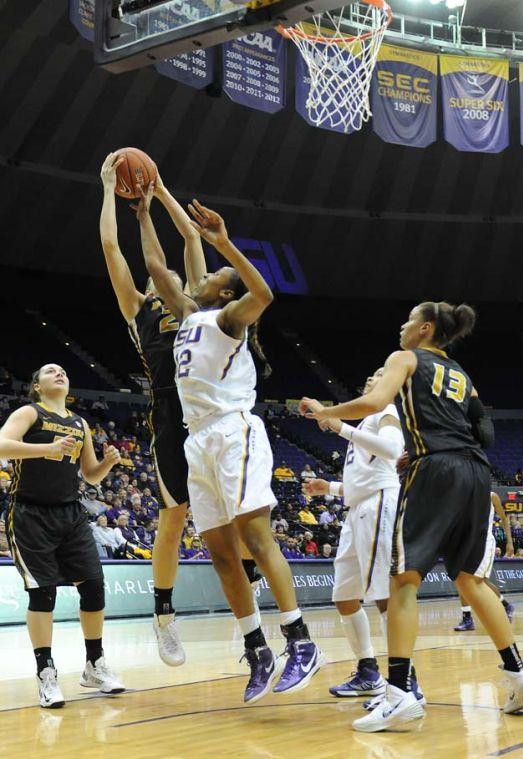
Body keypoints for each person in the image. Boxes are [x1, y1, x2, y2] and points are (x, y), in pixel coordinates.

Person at [300, 301, 523, 731]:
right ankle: (519, 674)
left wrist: (326, 413)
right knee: (470, 579)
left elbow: (375, 400)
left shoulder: (405, 357)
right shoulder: (463, 374)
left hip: (435, 469)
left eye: (409, 319)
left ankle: (397, 694)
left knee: (403, 580)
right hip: (475, 473)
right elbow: (484, 431)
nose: (402, 325)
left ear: (425, 328)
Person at [137, 185, 324, 703]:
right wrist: (143, 212)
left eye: (214, 276)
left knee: (255, 537)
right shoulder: (185, 314)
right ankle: (258, 648)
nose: (204, 278)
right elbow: (155, 266)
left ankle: (301, 642)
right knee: (220, 553)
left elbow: (263, 295)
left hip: (233, 431)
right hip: (198, 442)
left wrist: (224, 244)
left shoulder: (227, 318)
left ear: (223, 291)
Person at [100, 153, 192, 666]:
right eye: (163, 274)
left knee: (244, 518)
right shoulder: (140, 309)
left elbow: (191, 242)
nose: (169, 276)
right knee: (173, 515)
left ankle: (259, 615)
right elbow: (112, 247)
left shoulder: (197, 305)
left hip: (211, 413)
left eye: (174, 274)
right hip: (169, 413)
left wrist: (156, 196)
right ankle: (163, 615)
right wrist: (110, 192)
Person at [0, 364, 124, 708]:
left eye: (63, 371)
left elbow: (90, 475)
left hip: (70, 514)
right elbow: (1, 446)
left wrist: (108, 464)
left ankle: (95, 665)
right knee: (43, 595)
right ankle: (46, 673)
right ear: (37, 386)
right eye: (50, 371)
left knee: (94, 585)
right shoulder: (29, 412)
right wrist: (45, 449)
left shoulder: (80, 422)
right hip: (28, 513)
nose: (59, 373)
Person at [303, 370, 407, 702]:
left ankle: (404, 681)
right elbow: (363, 478)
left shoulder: (386, 412)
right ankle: (369, 673)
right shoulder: (365, 424)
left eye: (380, 375)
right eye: (370, 376)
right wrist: (329, 488)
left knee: (382, 595)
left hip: (379, 505)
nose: (372, 377)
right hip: (358, 508)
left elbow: (392, 450)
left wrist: (339, 425)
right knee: (344, 596)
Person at [454, 491, 515, 631]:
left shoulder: (491, 495)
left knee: (479, 581)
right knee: (460, 578)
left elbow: (504, 519)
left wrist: (509, 542)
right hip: (465, 543)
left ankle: (506, 606)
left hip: (484, 543)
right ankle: (467, 618)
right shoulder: (462, 494)